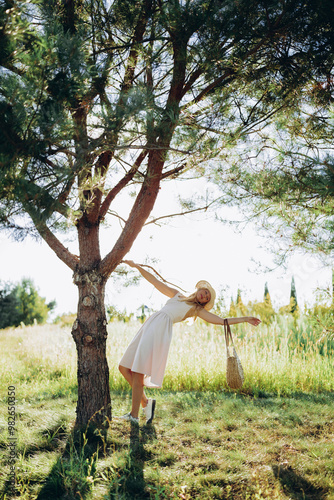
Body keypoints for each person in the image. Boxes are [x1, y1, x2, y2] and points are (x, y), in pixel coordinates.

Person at [118, 260, 261, 425]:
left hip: (158, 331)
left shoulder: (197, 310)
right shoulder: (177, 294)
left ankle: (134, 416)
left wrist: (245, 319)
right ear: (199, 289)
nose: (205, 296)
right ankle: (145, 403)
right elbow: (155, 282)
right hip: (148, 326)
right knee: (124, 367)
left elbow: (222, 321)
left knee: (138, 372)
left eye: (207, 298)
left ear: (204, 303)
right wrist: (137, 267)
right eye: (205, 292)